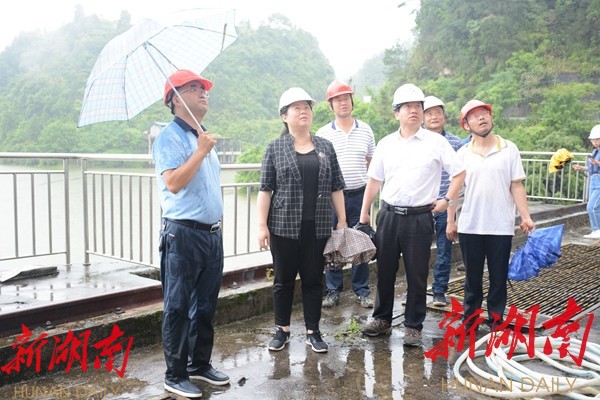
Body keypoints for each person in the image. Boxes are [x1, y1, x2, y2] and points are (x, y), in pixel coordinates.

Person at [358, 83, 465, 346]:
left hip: (419, 217)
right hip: (388, 216)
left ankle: (413, 326)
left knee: (417, 274)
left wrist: (447, 200)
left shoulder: (436, 142)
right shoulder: (386, 143)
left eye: (418, 106)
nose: (414, 110)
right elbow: (374, 180)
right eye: (407, 107)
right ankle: (382, 319)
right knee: (384, 270)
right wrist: (364, 214)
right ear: (396, 113)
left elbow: (459, 172)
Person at [152, 69, 229, 399]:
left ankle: (199, 364)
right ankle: (175, 374)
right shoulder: (168, 137)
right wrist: (200, 151)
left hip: (211, 234)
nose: (203, 92)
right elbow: (173, 183)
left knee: (206, 305)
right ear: (175, 99)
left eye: (204, 88)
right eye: (194, 88)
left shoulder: (203, 136)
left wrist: (202, 146)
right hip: (182, 234)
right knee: (179, 306)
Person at [257, 87, 347, 353]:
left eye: (307, 106)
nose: (303, 111)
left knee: (313, 280)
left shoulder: (325, 146)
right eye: (296, 107)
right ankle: (282, 330)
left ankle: (313, 331)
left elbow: (336, 186)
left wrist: (342, 220)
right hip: (283, 227)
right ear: (284, 116)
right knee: (283, 280)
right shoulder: (275, 148)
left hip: (317, 226)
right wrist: (261, 225)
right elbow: (265, 190)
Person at [447, 99, 535, 331]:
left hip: (500, 225)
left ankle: (496, 321)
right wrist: (450, 221)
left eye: (484, 113)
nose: (481, 117)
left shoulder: (509, 148)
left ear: (491, 117)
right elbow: (455, 191)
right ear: (466, 125)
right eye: (474, 115)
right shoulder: (462, 153)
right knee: (472, 279)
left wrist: (525, 216)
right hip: (470, 225)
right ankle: (470, 321)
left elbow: (516, 185)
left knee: (498, 277)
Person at [316, 80, 376, 309]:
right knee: (334, 243)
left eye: (346, 98)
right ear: (330, 105)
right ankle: (333, 290)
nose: (343, 103)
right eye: (338, 100)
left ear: (352, 101)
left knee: (360, 241)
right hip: (333, 198)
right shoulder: (323, 133)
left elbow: (372, 164)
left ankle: (362, 291)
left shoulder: (366, 130)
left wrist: (369, 200)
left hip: (359, 195)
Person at [422, 95, 465, 306]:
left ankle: (439, 290)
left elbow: (460, 175)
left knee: (444, 250)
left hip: (445, 203)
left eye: (437, 112)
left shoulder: (456, 143)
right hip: (421, 205)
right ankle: (416, 290)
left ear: (444, 116)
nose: (434, 117)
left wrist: (451, 212)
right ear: (423, 118)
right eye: (429, 113)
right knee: (416, 251)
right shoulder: (416, 142)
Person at [572, 124, 600, 239]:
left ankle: (597, 230)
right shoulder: (595, 152)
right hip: (594, 180)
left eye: (597, 139)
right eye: (593, 140)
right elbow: (591, 168)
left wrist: (597, 163)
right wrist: (581, 168)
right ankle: (595, 230)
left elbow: (597, 165)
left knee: (592, 207)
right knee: (595, 207)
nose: (595, 142)